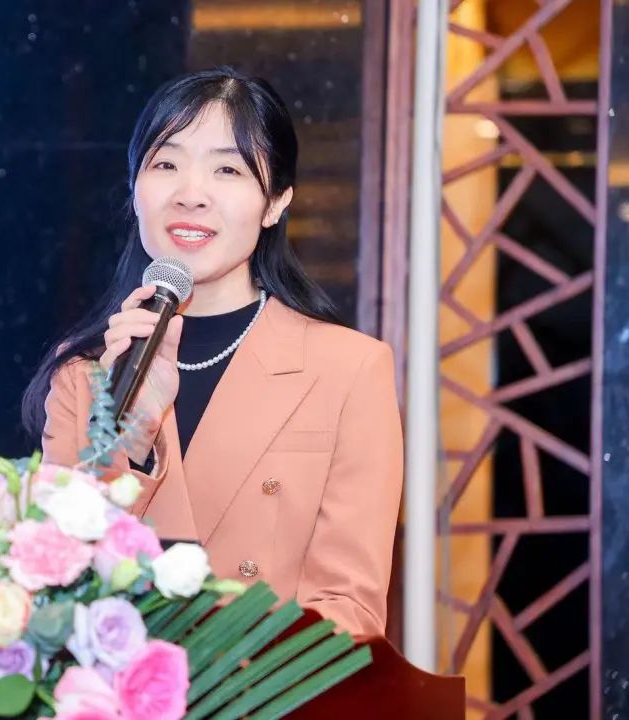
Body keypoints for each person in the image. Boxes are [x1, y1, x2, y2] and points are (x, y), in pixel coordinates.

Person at [21, 67, 403, 638]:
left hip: (267, 681)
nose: (190, 194)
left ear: (275, 203)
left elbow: (351, 612)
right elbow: (57, 584)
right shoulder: (83, 373)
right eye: (166, 165)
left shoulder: (349, 369)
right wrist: (131, 436)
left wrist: (215, 672)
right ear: (134, 189)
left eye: (227, 170)